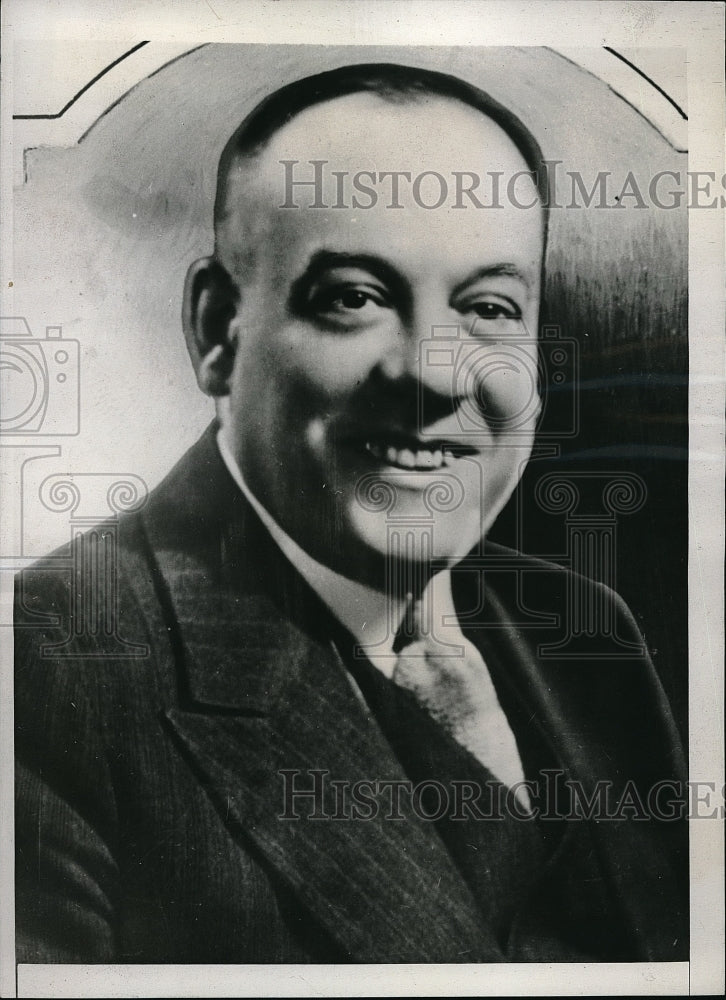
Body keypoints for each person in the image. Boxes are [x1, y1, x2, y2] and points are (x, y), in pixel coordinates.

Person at [15, 62, 687, 964]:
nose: (436, 373)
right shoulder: (49, 669)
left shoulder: (587, 635)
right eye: (355, 298)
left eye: (489, 308)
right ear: (218, 332)